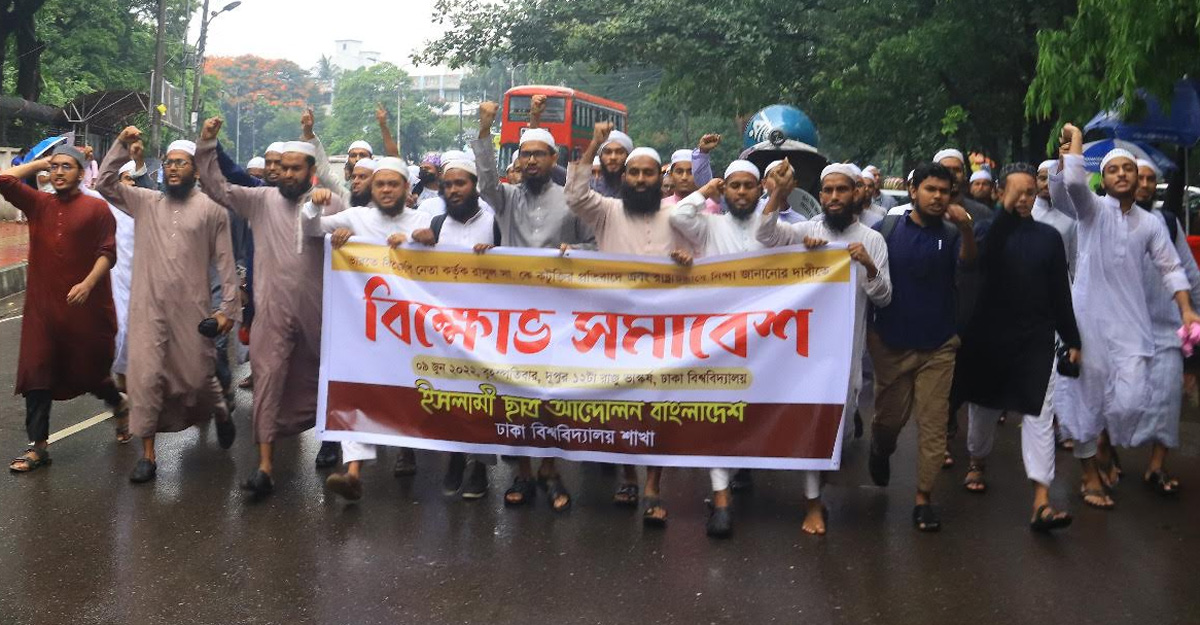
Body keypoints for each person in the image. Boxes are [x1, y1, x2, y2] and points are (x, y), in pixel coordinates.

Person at [1051, 123, 1199, 509]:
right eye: (1113, 170)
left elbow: (1171, 267)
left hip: (1132, 327)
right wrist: (1075, 141)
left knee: (1131, 401)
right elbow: (1074, 183)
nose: (1121, 175)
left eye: (1128, 169)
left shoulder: (1151, 224)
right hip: (1088, 323)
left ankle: (1104, 440)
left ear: (1139, 179)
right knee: (1085, 401)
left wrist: (1186, 309)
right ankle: (1088, 475)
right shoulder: (1091, 210)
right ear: (1104, 179)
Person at [195, 117, 336, 498]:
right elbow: (217, 186)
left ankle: (332, 439)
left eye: (295, 168)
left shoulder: (331, 203)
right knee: (268, 380)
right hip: (270, 315)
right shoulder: (259, 200)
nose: (286, 174)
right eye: (283, 168)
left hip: (318, 317)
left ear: (310, 171)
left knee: (320, 381)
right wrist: (206, 144)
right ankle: (265, 467)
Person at [97, 130, 241, 483]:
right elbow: (104, 183)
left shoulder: (212, 211)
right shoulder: (145, 202)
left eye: (181, 163)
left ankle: (220, 410)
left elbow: (226, 264)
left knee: (196, 378)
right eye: (169, 162)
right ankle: (148, 456)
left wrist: (226, 311)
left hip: (192, 312)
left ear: (196, 170)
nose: (173, 168)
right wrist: (121, 146)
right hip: (147, 311)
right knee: (145, 380)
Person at [757, 161, 892, 536]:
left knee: (841, 431)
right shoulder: (806, 230)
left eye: (842, 190)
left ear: (856, 194)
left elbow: (884, 297)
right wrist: (777, 194)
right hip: (803, 350)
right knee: (812, 423)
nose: (834, 197)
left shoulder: (872, 240)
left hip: (846, 353)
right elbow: (765, 235)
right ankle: (812, 502)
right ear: (819, 196)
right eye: (828, 191)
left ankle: (819, 484)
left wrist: (868, 266)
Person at [472, 101, 593, 513]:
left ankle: (550, 468)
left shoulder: (573, 201)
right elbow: (486, 179)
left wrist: (575, 251)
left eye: (539, 154)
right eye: (525, 155)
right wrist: (485, 130)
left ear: (553, 159)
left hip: (561, 316)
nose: (531, 161)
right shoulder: (506, 199)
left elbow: (595, 245)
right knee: (518, 397)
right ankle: (523, 472)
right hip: (515, 317)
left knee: (553, 396)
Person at [568, 121, 689, 527]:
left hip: (667, 332)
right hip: (617, 331)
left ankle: (653, 485)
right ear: (623, 177)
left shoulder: (679, 215)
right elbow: (575, 194)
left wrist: (689, 260)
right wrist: (594, 145)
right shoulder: (607, 211)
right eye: (633, 173)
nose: (639, 180)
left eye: (647, 174)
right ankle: (628, 477)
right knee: (622, 407)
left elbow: (708, 260)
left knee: (660, 409)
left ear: (660, 177)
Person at [301, 157, 437, 502]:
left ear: (406, 188)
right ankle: (353, 472)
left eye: (393, 184)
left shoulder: (423, 220)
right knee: (357, 389)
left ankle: (406, 450)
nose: (387, 190)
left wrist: (426, 240)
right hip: (364, 325)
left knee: (408, 388)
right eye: (381, 185)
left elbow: (450, 257)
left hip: (411, 326)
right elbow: (311, 229)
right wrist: (313, 206)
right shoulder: (356, 218)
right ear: (372, 189)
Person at [953, 163, 1079, 532]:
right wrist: (1004, 214)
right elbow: (981, 261)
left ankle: (1041, 500)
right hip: (990, 339)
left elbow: (1060, 292)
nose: (1024, 198)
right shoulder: (985, 231)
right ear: (999, 193)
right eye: (1015, 192)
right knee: (983, 414)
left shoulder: (1049, 237)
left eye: (1029, 192)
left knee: (1039, 415)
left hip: (1035, 340)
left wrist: (1073, 339)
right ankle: (977, 460)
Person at [2, 145, 128, 473]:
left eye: (67, 166)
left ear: (82, 173)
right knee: (36, 371)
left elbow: (108, 252)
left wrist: (87, 284)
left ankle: (118, 404)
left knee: (90, 373)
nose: (58, 172)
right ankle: (38, 447)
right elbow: (3, 179)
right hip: (42, 311)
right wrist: (41, 162)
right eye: (54, 167)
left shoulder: (96, 209)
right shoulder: (39, 204)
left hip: (83, 310)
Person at [867, 161, 977, 532]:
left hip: (939, 345)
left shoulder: (952, 232)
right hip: (892, 344)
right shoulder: (886, 230)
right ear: (913, 191)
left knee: (933, 424)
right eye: (930, 189)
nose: (937, 197)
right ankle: (880, 449)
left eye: (944, 191)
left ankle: (923, 498)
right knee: (889, 421)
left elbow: (968, 264)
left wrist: (966, 228)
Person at [668, 159, 768, 537]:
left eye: (748, 186)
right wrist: (705, 190)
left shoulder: (772, 229)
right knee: (719, 411)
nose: (741, 192)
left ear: (760, 190)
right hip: (719, 336)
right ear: (724, 191)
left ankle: (745, 466)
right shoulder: (709, 226)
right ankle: (721, 500)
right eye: (734, 186)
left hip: (767, 338)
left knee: (756, 409)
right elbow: (679, 214)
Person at [1126, 158, 1200, 495]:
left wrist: (1193, 313)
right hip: (1124, 329)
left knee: (1169, 399)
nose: (1144, 184)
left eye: (1150, 179)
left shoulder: (1166, 223)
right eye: (1139, 178)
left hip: (1167, 328)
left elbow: (1189, 273)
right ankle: (1104, 454)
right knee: (1121, 399)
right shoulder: (1109, 220)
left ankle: (1156, 465)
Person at [109, 161, 138, 392]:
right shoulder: (107, 206)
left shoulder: (150, 207)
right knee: (121, 333)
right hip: (117, 282)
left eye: (135, 179)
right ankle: (124, 389)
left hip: (144, 283)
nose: (133, 183)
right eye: (128, 178)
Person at [590, 128, 633, 198]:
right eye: (608, 152)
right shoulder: (592, 188)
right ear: (600, 157)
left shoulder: (638, 186)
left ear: (628, 156)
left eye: (619, 152)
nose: (613, 157)